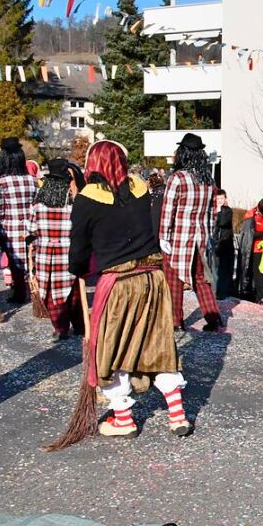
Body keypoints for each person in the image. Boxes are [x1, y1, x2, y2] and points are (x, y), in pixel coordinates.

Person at [67, 140, 189, 439]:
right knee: (158, 345)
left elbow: (79, 250)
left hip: (119, 284)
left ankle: (124, 418)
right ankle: (177, 415)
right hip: (153, 280)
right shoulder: (140, 189)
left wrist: (78, 267)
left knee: (111, 349)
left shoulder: (86, 199)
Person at [159, 133, 221, 332]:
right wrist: (208, 234)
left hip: (179, 237)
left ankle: (176, 321)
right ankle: (213, 317)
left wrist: (163, 235)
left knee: (174, 279)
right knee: (201, 278)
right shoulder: (209, 180)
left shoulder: (177, 178)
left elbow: (168, 210)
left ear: (183, 153)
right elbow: (213, 212)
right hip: (200, 237)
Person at [25, 159, 84, 341]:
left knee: (51, 293)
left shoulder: (37, 206)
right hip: (68, 253)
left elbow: (30, 231)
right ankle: (80, 326)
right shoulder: (73, 205)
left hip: (45, 254)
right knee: (73, 293)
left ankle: (60, 328)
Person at [0, 137, 38, 304]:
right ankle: (36, 290)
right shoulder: (32, 180)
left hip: (11, 229)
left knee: (16, 264)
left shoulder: (0, 182)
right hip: (32, 228)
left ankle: (20, 294)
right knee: (33, 261)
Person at [212, 189, 235, 301]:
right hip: (214, 243)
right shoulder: (211, 211)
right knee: (214, 268)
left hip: (225, 243)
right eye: (218, 198)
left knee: (223, 269)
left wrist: (219, 211)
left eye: (222, 198)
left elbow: (223, 223)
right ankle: (214, 290)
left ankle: (222, 292)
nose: (220, 201)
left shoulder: (227, 211)